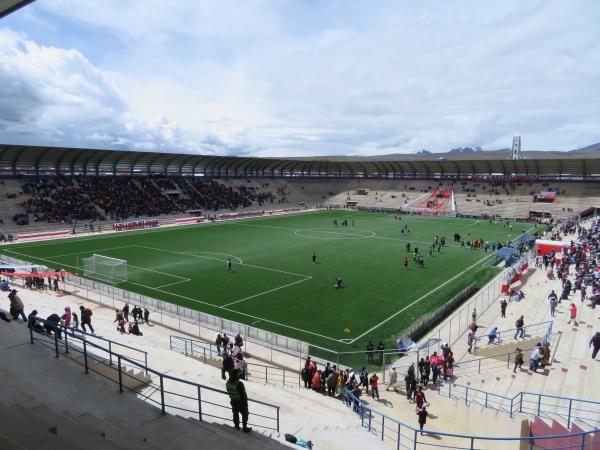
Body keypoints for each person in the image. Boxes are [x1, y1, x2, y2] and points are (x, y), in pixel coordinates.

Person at [226, 368, 252, 432]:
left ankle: (237, 426)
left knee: (235, 414)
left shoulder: (228, 383)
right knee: (245, 414)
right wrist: (245, 404)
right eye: (238, 374)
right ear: (236, 375)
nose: (239, 375)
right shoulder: (239, 383)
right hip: (240, 402)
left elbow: (229, 391)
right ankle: (244, 428)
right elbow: (243, 395)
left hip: (233, 401)